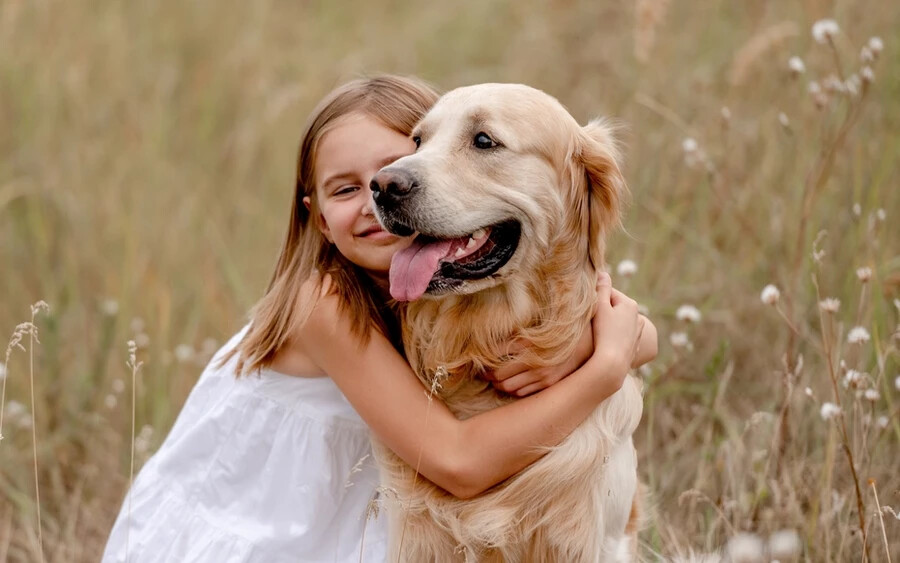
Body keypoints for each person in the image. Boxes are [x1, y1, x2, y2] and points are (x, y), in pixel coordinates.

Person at [102, 75, 657, 563]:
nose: (388, 188)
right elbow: (456, 461)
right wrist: (603, 369)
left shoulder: (437, 278)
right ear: (316, 218)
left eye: (482, 142)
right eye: (347, 189)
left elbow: (629, 324)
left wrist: (612, 344)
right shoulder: (325, 303)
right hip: (266, 535)